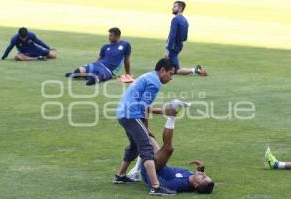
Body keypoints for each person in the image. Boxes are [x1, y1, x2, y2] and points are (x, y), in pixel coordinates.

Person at [114, 58, 178, 196]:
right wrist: (163, 111)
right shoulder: (154, 83)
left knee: (135, 146)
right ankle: (155, 186)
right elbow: (144, 107)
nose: (171, 78)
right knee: (146, 148)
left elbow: (143, 107)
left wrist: (146, 128)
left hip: (123, 113)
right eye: (171, 74)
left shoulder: (149, 76)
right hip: (131, 115)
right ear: (162, 70)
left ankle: (120, 175)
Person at [128, 100, 214, 194]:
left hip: (152, 170)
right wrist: (200, 170)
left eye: (203, 177)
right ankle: (145, 110)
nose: (203, 174)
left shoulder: (178, 185)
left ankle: (171, 116)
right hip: (160, 166)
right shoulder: (192, 177)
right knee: (148, 137)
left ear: (196, 185)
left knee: (168, 149)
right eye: (206, 175)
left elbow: (156, 184)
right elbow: (199, 176)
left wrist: (148, 162)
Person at [65, 27, 132, 86]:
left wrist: (128, 74)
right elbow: (99, 59)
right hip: (98, 64)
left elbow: (126, 60)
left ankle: (93, 79)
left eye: (111, 36)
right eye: (109, 35)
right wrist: (91, 65)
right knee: (79, 70)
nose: (109, 37)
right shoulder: (105, 47)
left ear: (117, 36)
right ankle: (78, 74)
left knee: (102, 76)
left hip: (108, 70)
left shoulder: (125, 45)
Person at [165, 1, 207, 76]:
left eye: (175, 7)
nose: (173, 8)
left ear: (180, 8)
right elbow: (185, 37)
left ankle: (195, 70)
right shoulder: (185, 20)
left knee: (176, 70)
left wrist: (168, 49)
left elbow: (172, 35)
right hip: (179, 46)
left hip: (173, 47)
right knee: (167, 65)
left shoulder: (175, 20)